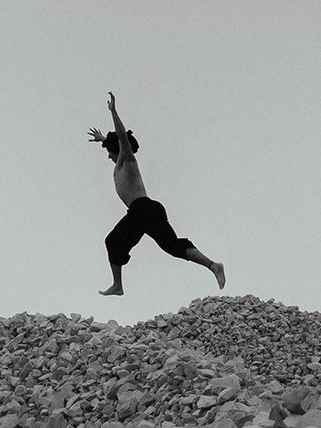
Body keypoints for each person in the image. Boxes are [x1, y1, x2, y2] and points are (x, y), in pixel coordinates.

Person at [88, 92, 224, 296]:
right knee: (171, 246)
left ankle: (118, 286)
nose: (107, 154)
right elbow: (115, 142)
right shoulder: (120, 162)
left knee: (113, 242)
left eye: (109, 150)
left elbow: (122, 138)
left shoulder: (127, 161)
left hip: (141, 209)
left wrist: (114, 112)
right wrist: (103, 139)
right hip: (147, 210)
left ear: (117, 150)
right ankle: (213, 265)